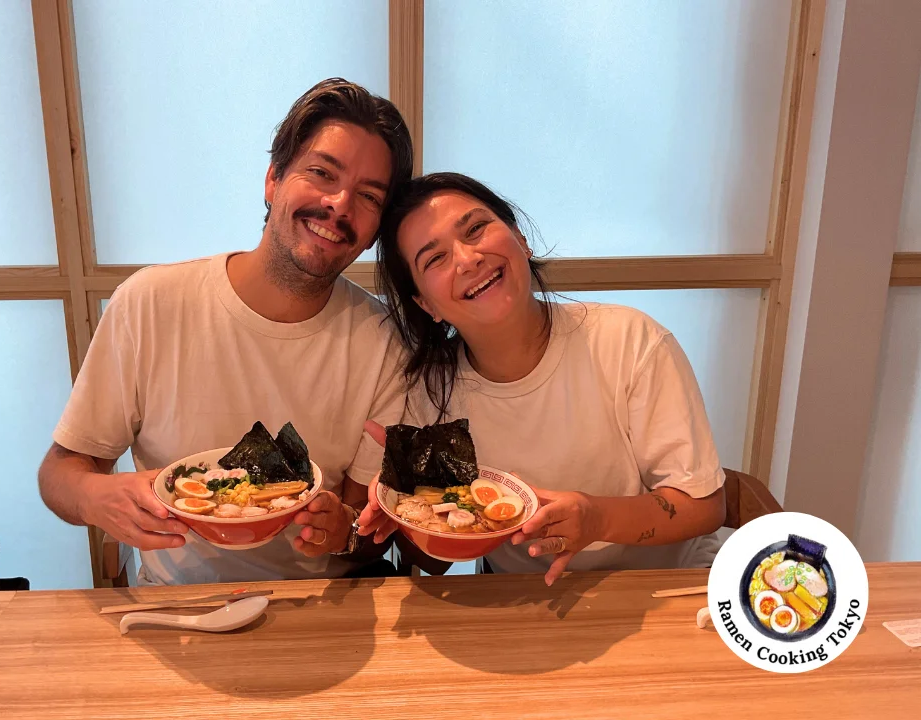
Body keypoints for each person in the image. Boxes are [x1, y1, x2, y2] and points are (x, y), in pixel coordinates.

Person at [38, 79, 414, 584]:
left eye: (368, 196)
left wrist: (342, 531)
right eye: (322, 173)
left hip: (318, 612)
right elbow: (59, 474)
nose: (340, 205)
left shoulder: (384, 342)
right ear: (273, 180)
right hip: (175, 606)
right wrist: (93, 496)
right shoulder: (150, 303)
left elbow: (357, 524)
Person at [358, 172, 726, 585]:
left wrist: (597, 519)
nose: (468, 259)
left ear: (520, 237)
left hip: (663, 590)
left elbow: (705, 506)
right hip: (528, 605)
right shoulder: (432, 391)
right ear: (426, 304)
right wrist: (407, 500)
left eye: (476, 229)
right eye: (435, 259)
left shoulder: (629, 341)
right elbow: (434, 563)